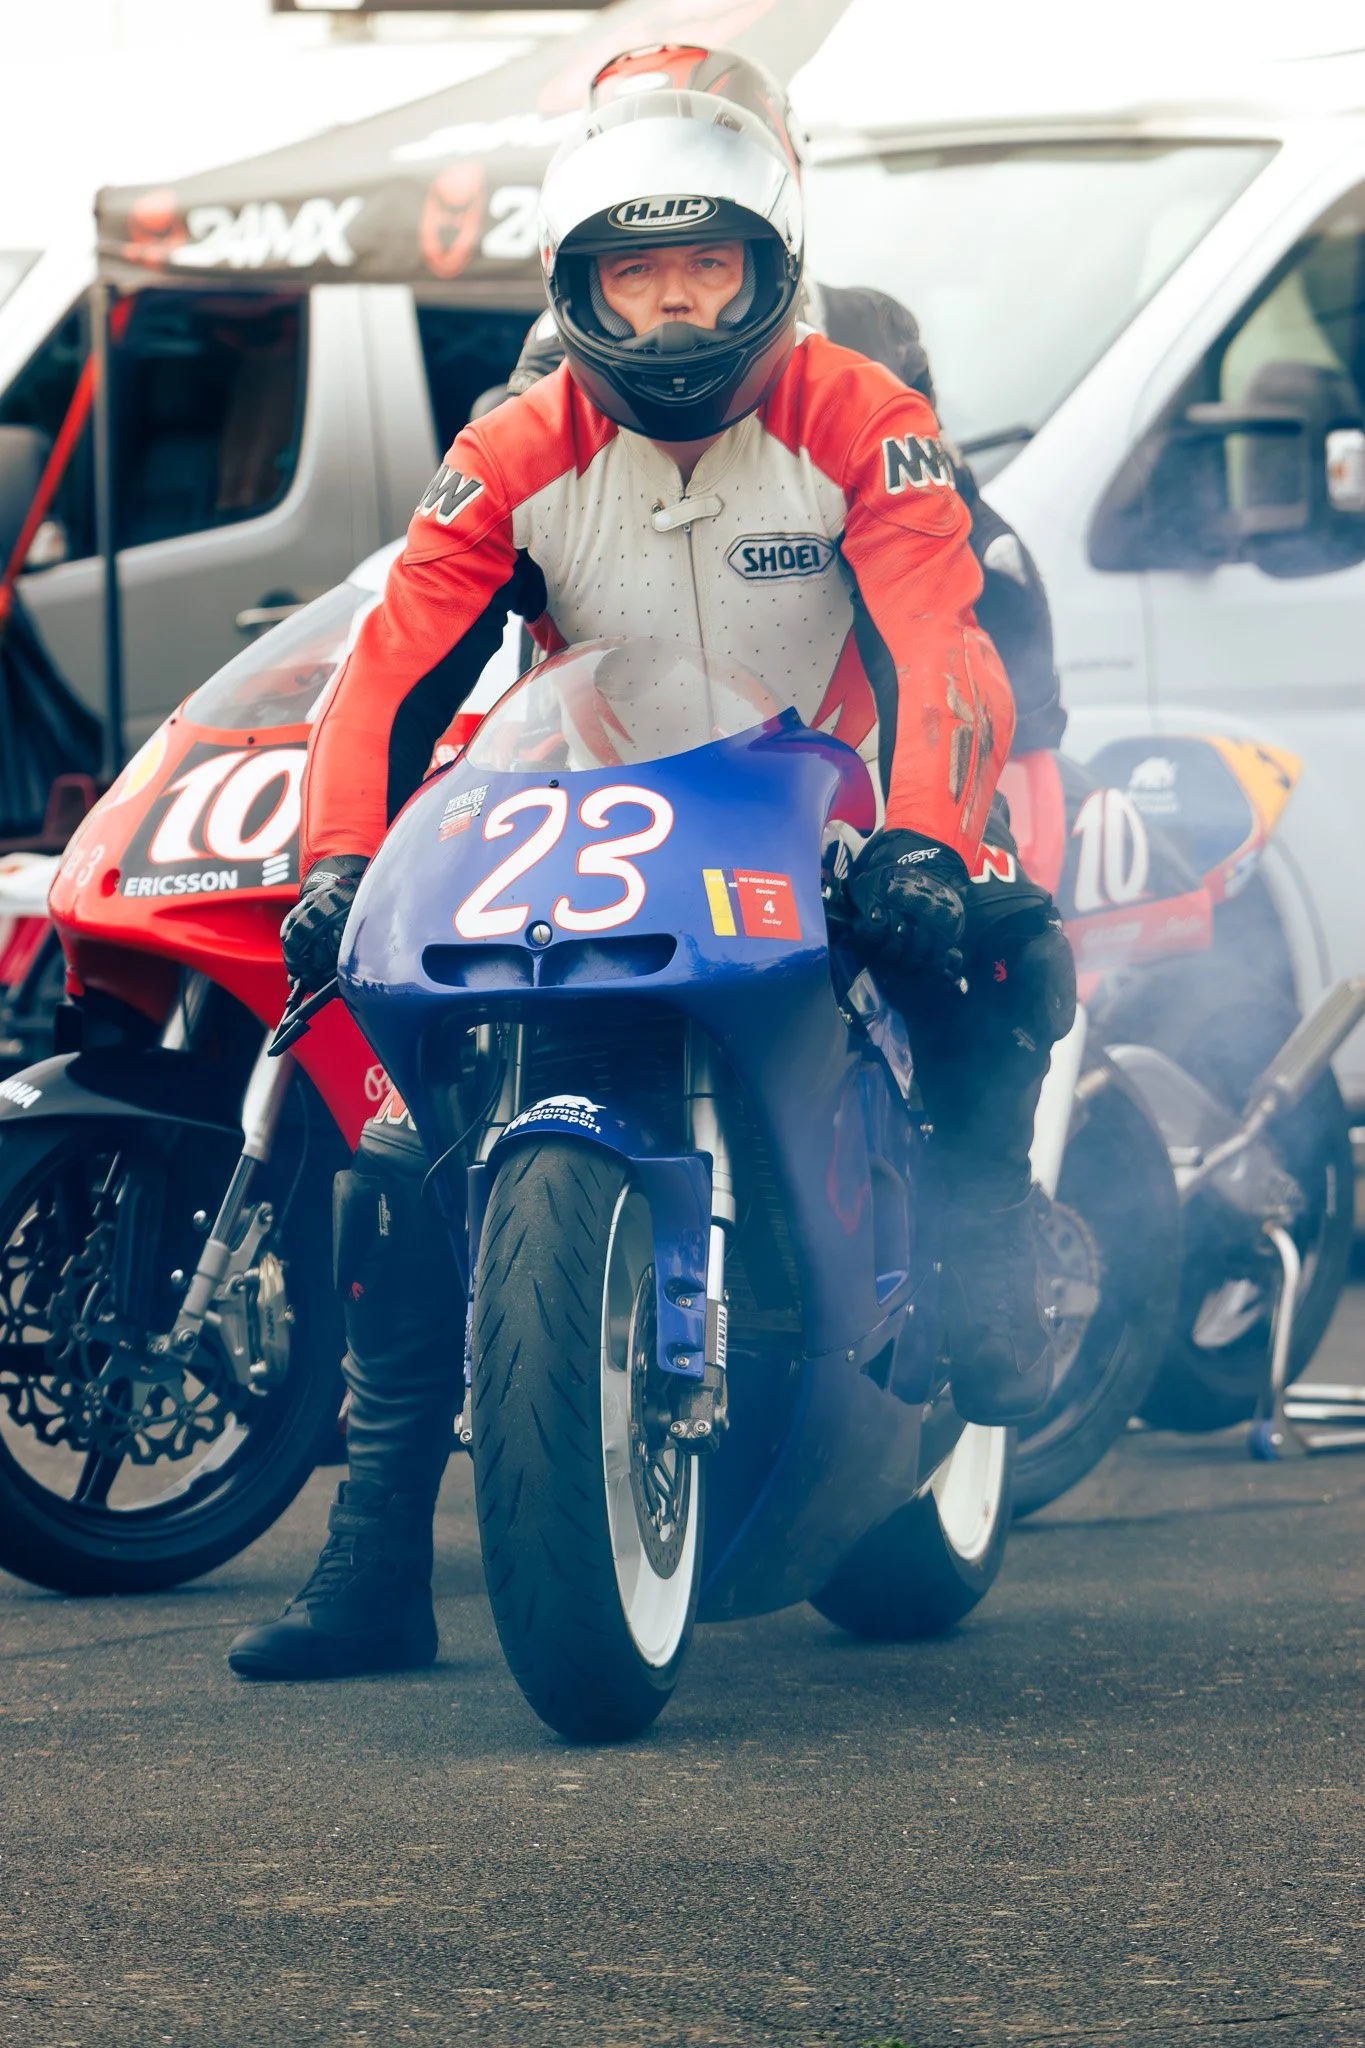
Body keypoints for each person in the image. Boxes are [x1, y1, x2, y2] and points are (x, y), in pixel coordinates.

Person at [228, 75, 1076, 1684]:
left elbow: (934, 642)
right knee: (400, 1146)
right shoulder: (511, 449)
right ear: (581, 288)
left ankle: (983, 1256)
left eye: (707, 269)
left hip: (839, 806)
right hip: (599, 814)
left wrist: (927, 841)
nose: (675, 304)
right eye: (636, 273)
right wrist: (339, 863)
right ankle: (370, 1571)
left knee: (999, 958)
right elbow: (386, 665)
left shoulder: (862, 417)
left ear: (772, 271)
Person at [481, 44, 1065, 756]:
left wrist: (1016, 749)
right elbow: (514, 554)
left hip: (831, 711)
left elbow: (940, 549)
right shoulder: (557, 345)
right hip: (628, 715)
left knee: (985, 554)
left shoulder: (866, 324)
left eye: (709, 261)